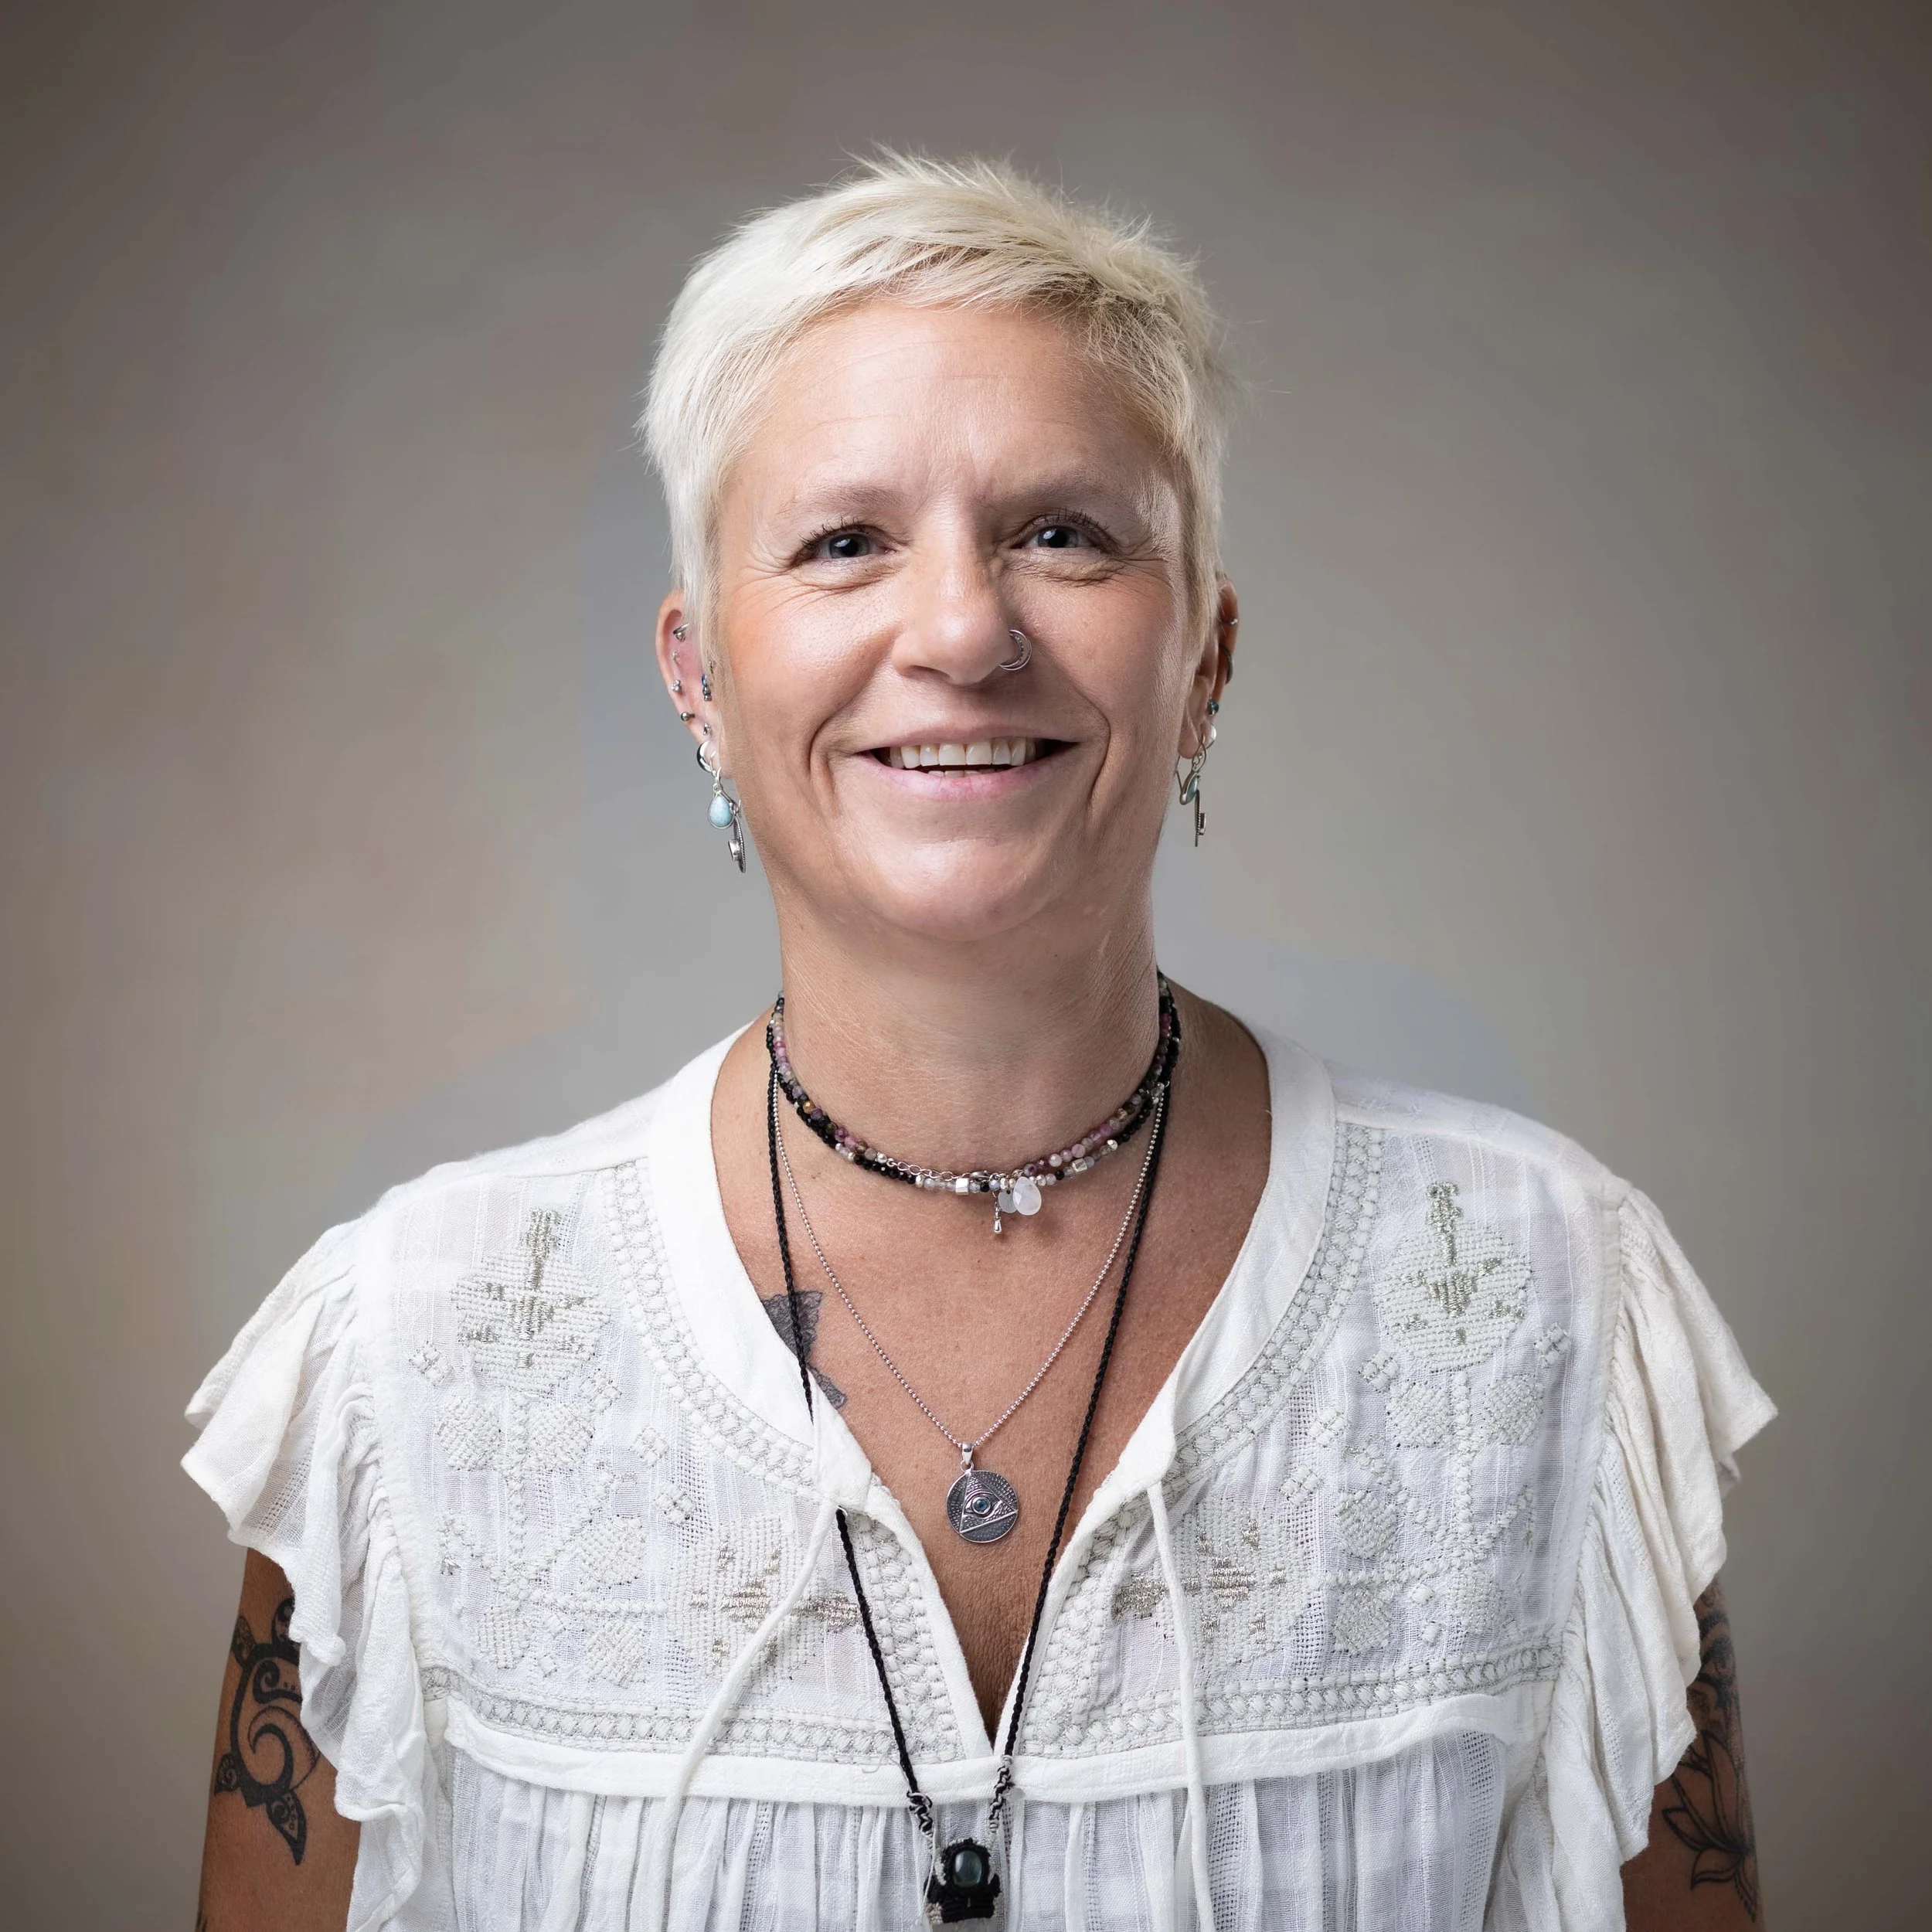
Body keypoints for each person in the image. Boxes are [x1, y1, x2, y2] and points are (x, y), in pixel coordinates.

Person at [187, 155, 1775, 1932]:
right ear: (696, 675)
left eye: (1063, 532)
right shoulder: (405, 1356)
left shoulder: (1552, 1303)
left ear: (1208, 654)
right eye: (845, 539)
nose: (957, 629)